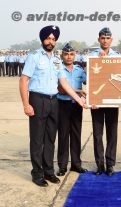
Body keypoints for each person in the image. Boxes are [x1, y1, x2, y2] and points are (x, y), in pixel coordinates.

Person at [19, 25, 85, 187]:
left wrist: (79, 100)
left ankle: (49, 171)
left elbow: (64, 83)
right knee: (37, 139)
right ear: (42, 39)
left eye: (53, 39)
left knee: (50, 138)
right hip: (37, 99)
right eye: (48, 38)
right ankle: (37, 173)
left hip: (53, 101)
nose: (51, 41)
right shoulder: (34, 56)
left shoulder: (56, 60)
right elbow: (23, 80)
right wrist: (26, 104)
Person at [89, 27, 120, 176]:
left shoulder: (117, 56)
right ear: (99, 39)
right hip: (97, 99)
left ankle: (110, 164)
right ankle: (99, 164)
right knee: (97, 134)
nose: (105, 41)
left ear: (111, 40)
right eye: (102, 38)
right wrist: (99, 61)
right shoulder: (92, 56)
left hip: (112, 99)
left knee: (112, 133)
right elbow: (88, 77)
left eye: (108, 38)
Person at [56, 43, 87, 176]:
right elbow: (61, 89)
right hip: (62, 105)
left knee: (76, 135)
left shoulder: (80, 70)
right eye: (66, 54)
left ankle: (76, 164)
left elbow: (92, 82)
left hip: (76, 106)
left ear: (75, 55)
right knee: (63, 136)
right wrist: (79, 91)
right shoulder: (58, 69)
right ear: (62, 55)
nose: (69, 57)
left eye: (71, 54)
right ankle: (62, 166)